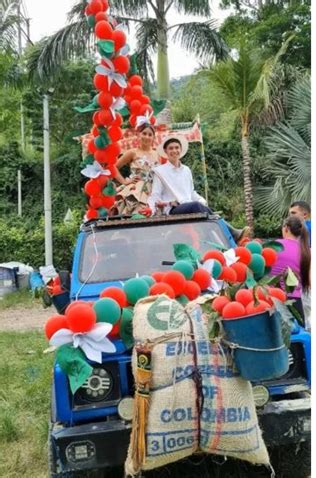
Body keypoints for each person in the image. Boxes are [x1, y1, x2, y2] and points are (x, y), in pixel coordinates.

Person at [141, 135, 250, 243]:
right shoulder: (160, 171)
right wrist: (150, 208)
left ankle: (226, 240)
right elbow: (155, 195)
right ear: (165, 151)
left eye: (176, 147)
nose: (174, 151)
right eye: (171, 148)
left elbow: (191, 192)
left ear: (180, 149)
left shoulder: (186, 170)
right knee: (197, 206)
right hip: (173, 209)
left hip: (190, 206)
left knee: (203, 212)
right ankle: (232, 233)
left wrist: (202, 201)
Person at [270, 216, 311, 324]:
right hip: (296, 303)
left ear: (286, 228)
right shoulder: (306, 251)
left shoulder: (273, 246)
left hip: (272, 301)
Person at [113, 124, 160, 215]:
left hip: (153, 190)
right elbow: (113, 167)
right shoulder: (132, 152)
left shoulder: (157, 154)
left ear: (154, 137)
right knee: (135, 216)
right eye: (144, 133)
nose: (147, 137)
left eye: (150, 135)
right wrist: (125, 182)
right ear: (139, 135)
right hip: (136, 189)